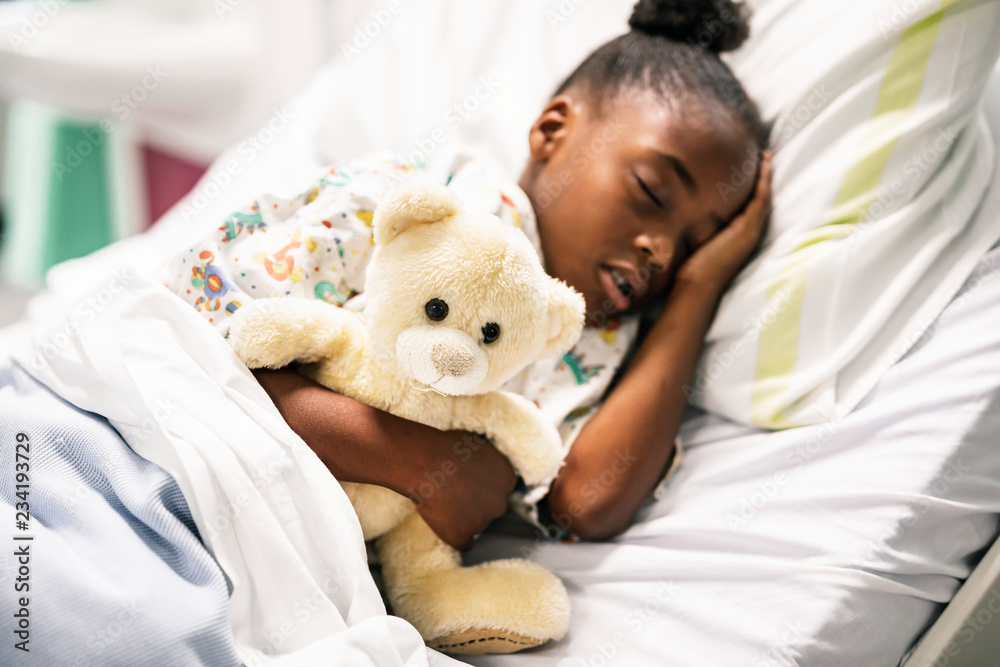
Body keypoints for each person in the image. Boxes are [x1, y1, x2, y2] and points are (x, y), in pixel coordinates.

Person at [172, 0, 773, 550]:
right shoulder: (406, 212)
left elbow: (584, 504)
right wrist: (419, 462)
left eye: (695, 242)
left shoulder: (591, 345)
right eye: (651, 191)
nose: (663, 251)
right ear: (552, 131)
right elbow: (201, 344)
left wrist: (698, 290)